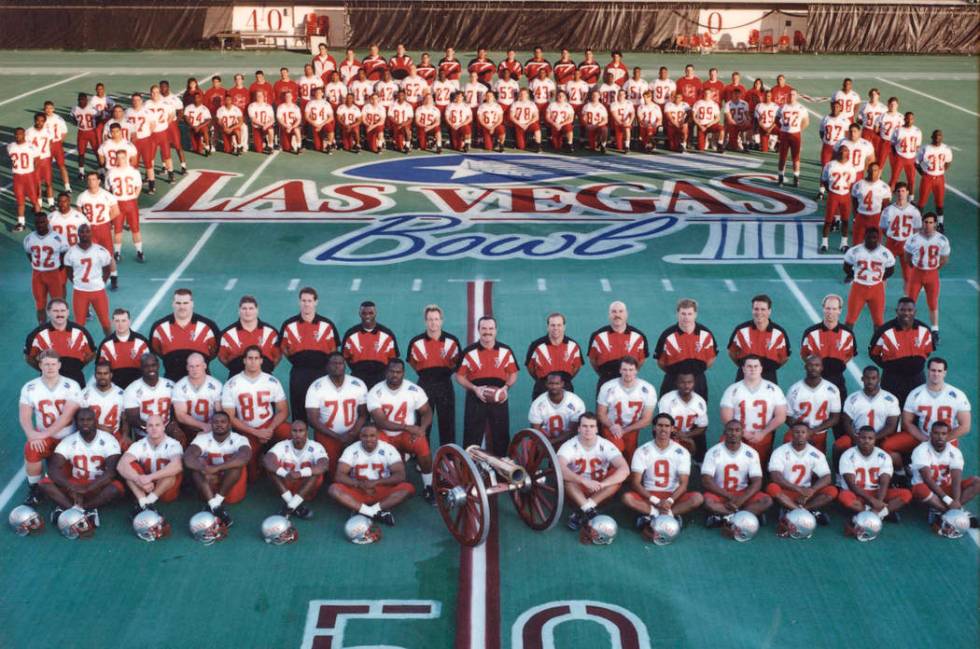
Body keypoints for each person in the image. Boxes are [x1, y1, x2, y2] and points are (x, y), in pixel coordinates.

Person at [39, 407, 122, 526]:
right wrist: (71, 486)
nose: (85, 423)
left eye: (89, 419)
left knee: (116, 488)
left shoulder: (109, 440)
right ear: (76, 422)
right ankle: (80, 510)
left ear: (95, 421)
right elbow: (53, 469)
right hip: (75, 484)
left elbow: (111, 472)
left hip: (98, 484)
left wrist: (88, 488)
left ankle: (76, 508)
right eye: (81, 420)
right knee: (44, 483)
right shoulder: (69, 441)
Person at [19, 350, 82, 505]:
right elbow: (24, 416)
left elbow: (66, 416)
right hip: (45, 438)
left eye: (53, 364)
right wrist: (31, 435)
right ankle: (34, 488)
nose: (50, 367)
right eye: (46, 364)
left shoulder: (71, 385)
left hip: (69, 438)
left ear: (59, 365)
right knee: (31, 448)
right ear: (40, 365)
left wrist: (43, 434)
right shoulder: (30, 387)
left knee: (64, 480)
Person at [367, 359, 434, 503]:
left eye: (398, 372)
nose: (394, 375)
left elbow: (427, 412)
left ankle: (429, 486)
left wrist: (422, 429)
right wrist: (407, 427)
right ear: (386, 372)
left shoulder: (413, 389)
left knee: (423, 445)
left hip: (406, 435)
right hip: (383, 433)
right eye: (391, 371)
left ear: (403, 373)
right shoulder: (375, 392)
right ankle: (379, 487)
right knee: (374, 451)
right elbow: (381, 422)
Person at [622, 413, 704, 532]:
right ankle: (664, 515)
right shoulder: (642, 451)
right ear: (654, 428)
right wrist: (656, 501)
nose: (663, 429)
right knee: (627, 498)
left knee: (698, 498)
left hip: (673, 494)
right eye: (660, 425)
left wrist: (669, 501)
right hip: (650, 494)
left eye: (667, 426)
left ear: (672, 429)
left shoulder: (681, 452)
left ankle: (658, 515)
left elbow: (683, 484)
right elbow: (635, 483)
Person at [220, 346, 291, 479]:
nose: (253, 361)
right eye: (250, 358)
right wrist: (256, 432)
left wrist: (269, 429)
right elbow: (229, 417)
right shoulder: (232, 384)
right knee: (252, 475)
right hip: (247, 429)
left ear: (261, 361)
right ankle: (259, 464)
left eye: (256, 358)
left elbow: (283, 411)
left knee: (291, 432)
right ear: (244, 361)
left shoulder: (271, 381)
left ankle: (287, 463)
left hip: (269, 424)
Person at [455, 316, 519, 457]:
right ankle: (470, 472)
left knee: (501, 436)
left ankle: (502, 472)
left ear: (496, 330)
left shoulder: (505, 350)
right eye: (483, 328)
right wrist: (474, 389)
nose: (487, 332)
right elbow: (459, 376)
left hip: (499, 397)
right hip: (476, 396)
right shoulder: (468, 351)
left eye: (491, 328)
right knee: (471, 437)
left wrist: (506, 388)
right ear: (478, 330)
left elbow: (513, 373)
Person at [328, 425, 415, 527]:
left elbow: (400, 475)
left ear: (378, 436)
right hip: (359, 489)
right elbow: (339, 475)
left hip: (382, 488)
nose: (369, 439)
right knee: (333, 489)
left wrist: (376, 482)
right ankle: (376, 512)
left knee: (408, 488)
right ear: (360, 436)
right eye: (365, 436)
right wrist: (359, 484)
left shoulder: (388, 449)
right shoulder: (351, 450)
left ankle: (364, 511)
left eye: (372, 435)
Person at [557, 412, 629, 531]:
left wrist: (603, 484)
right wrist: (583, 481)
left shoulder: (605, 445)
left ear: (596, 429)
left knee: (616, 478)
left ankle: (584, 510)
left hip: (599, 490)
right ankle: (590, 512)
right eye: (584, 426)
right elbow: (559, 467)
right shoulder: (569, 445)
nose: (588, 430)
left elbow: (624, 469)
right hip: (577, 491)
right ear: (579, 428)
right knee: (567, 479)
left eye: (591, 426)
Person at [893, 357, 971, 462]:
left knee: (946, 469)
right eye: (933, 370)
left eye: (939, 371)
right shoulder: (916, 394)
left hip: (947, 440)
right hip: (922, 437)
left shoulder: (957, 395)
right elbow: (906, 422)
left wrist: (941, 440)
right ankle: (901, 472)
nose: (936, 374)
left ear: (945, 373)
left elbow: (965, 426)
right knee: (887, 446)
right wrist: (924, 439)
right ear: (928, 371)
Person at [279, 287, 339, 422]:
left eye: (309, 301)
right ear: (299, 302)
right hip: (299, 373)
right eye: (303, 300)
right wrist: (297, 360)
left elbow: (333, 351)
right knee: (299, 410)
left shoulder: (327, 325)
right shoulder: (288, 325)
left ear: (316, 302)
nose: (306, 304)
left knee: (323, 410)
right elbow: (284, 348)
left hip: (321, 373)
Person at [183, 411, 252, 527]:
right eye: (215, 422)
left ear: (229, 424)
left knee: (236, 465)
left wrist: (217, 468)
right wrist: (204, 468)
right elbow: (188, 458)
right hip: (208, 480)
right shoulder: (203, 438)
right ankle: (215, 506)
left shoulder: (239, 439)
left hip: (231, 480)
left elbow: (245, 457)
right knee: (197, 464)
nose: (219, 424)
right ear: (211, 424)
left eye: (223, 422)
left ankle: (216, 502)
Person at [701, 420, 773, 528]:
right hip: (720, 492)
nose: (733, 433)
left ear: (742, 433)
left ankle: (724, 517)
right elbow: (706, 481)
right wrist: (729, 496)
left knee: (767, 501)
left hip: (742, 492)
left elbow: (757, 482)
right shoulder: (713, 452)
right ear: (724, 432)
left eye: (737, 430)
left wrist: (741, 499)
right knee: (707, 502)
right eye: (730, 430)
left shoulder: (751, 453)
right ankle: (746, 515)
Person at [407, 305, 461, 448]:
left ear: (441, 321)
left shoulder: (452, 341)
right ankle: (422, 455)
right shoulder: (416, 342)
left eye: (436, 319)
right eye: (430, 319)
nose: (433, 323)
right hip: (424, 384)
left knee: (447, 423)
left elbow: (457, 363)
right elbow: (413, 363)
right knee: (423, 421)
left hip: (445, 384)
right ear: (425, 321)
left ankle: (448, 457)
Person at [719, 355, 787, 466]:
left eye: (756, 366)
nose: (753, 369)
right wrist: (743, 433)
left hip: (761, 436)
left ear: (761, 368)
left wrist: (763, 433)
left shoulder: (773, 389)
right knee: (731, 463)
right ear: (743, 369)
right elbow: (726, 417)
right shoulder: (732, 389)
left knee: (758, 468)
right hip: (737, 435)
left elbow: (781, 416)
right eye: (749, 366)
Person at [767, 423, 838, 527]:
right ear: (791, 434)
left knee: (832, 491)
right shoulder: (780, 452)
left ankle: (793, 510)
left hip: (806, 493)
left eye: (803, 432)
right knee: (772, 488)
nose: (800, 435)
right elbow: (775, 476)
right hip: (787, 490)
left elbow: (827, 477)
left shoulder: (816, 453)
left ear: (808, 434)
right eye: (797, 432)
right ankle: (808, 512)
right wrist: (798, 489)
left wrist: (812, 490)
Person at [837, 425, 910, 524]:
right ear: (858, 438)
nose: (866, 441)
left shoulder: (883, 456)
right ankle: (881, 513)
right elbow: (852, 485)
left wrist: (878, 502)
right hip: (857, 493)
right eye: (863, 438)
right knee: (844, 496)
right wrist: (872, 501)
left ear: (875, 440)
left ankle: (873, 514)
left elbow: (884, 483)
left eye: (870, 438)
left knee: (906, 494)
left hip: (876, 492)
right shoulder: (847, 455)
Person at [868, 297, 934, 407]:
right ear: (896, 311)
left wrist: (916, 364)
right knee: (891, 413)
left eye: (909, 310)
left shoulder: (925, 329)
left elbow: (927, 351)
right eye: (902, 310)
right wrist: (889, 367)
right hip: (892, 380)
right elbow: (873, 353)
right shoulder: (884, 330)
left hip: (917, 379)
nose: (906, 313)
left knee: (916, 413)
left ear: (915, 312)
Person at [910, 421, 979, 524]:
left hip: (946, 488)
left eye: (943, 434)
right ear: (930, 434)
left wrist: (955, 500)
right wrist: (948, 500)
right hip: (928, 491)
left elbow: (956, 478)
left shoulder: (954, 451)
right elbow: (927, 479)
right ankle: (951, 513)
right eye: (936, 433)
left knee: (977, 482)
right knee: (919, 489)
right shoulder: (921, 450)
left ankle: (946, 512)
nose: (940, 437)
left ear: (948, 435)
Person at [117, 414, 183, 517]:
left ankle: (149, 501)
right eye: (150, 425)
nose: (154, 428)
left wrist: (149, 477)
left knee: (171, 472)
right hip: (144, 486)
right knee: (129, 470)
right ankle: (144, 503)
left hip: (166, 489)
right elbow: (121, 465)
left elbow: (177, 466)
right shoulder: (139, 444)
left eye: (157, 425)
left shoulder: (173, 444)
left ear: (163, 426)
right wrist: (138, 478)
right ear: (145, 428)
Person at [149, 288, 220, 381]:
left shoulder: (209, 326)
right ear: (173, 304)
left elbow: (215, 351)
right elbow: (157, 350)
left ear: (192, 304)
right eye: (178, 303)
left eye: (185, 303)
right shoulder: (159, 327)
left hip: (202, 383)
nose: (182, 307)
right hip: (172, 381)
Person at [263, 420, 329, 519]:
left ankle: (288, 508)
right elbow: (267, 460)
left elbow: (324, 465)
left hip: (305, 487)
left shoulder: (316, 446)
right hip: (286, 484)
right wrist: (285, 473)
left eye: (301, 430)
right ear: (290, 432)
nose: (297, 434)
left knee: (316, 474)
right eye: (294, 431)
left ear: (307, 432)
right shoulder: (283, 445)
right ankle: (295, 506)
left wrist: (300, 473)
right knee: (271, 470)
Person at [654, 298, 717, 401]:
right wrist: (675, 374)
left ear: (695, 314)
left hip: (698, 381)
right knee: (668, 413)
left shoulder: (706, 334)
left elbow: (711, 358)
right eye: (683, 314)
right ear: (677, 314)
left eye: (689, 314)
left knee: (697, 413)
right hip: (673, 381)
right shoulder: (667, 335)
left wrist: (697, 372)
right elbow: (661, 362)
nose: (686, 317)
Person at [836, 365, 901, 464]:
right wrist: (856, 437)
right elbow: (846, 422)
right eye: (867, 378)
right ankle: (838, 475)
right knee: (839, 445)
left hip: (881, 437)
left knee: (893, 454)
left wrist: (873, 438)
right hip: (858, 437)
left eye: (873, 378)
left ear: (879, 379)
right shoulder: (853, 398)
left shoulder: (890, 399)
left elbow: (891, 426)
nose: (870, 381)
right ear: (862, 379)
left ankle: (899, 475)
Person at [596, 357, 656, 462]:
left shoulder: (647, 389)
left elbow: (647, 419)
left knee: (630, 458)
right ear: (620, 370)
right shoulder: (608, 387)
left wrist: (625, 430)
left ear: (637, 370)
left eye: (631, 370)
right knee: (613, 455)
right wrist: (612, 426)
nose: (628, 373)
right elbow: (601, 414)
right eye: (624, 369)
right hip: (611, 427)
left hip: (632, 428)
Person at [24, 299, 95, 387]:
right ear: (48, 312)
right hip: (48, 381)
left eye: (62, 311)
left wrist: (78, 366)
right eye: (55, 311)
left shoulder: (81, 331)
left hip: (75, 379)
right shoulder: (36, 334)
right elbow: (29, 358)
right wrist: (43, 369)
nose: (60, 314)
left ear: (68, 312)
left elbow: (91, 354)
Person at [800, 294, 855, 405]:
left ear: (840, 310)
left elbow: (850, 354)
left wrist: (837, 366)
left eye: (834, 309)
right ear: (823, 309)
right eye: (828, 308)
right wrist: (815, 369)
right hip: (816, 380)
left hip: (838, 380)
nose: (830, 312)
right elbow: (804, 355)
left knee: (839, 413)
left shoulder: (848, 333)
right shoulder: (810, 332)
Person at [904, 212, 949, 341]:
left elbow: (944, 259)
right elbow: (907, 256)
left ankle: (935, 330)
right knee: (910, 303)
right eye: (926, 222)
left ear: (935, 224)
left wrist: (933, 268)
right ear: (922, 222)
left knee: (933, 303)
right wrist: (915, 268)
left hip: (932, 274)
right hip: (917, 273)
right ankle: (907, 327)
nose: (928, 225)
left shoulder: (942, 239)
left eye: (930, 222)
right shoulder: (914, 238)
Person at [784, 356, 842, 454]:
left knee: (817, 462)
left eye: (817, 365)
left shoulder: (832, 389)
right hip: (798, 431)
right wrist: (802, 432)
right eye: (810, 365)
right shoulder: (794, 389)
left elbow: (835, 418)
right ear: (805, 367)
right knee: (788, 445)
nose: (813, 368)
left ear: (822, 368)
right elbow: (787, 416)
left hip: (819, 432)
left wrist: (813, 431)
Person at [726, 294, 790, 383]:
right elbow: (731, 352)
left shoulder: (779, 333)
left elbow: (784, 357)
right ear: (752, 310)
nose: (759, 312)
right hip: (744, 376)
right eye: (756, 309)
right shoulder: (740, 330)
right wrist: (744, 366)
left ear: (769, 311)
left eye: (763, 309)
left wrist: (770, 368)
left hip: (768, 376)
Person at [588, 301, 649, 391]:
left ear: (626, 314)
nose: (617, 315)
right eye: (614, 312)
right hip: (606, 380)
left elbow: (642, 359)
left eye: (621, 311)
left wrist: (630, 373)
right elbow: (592, 360)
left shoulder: (639, 336)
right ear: (609, 314)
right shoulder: (597, 336)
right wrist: (603, 374)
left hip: (629, 382)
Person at [843, 227, 896, 329]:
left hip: (877, 289)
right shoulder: (855, 251)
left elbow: (890, 270)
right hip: (858, 287)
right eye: (869, 237)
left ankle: (877, 344)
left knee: (879, 321)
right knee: (850, 320)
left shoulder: (885, 253)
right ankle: (848, 343)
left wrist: (879, 278)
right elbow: (846, 267)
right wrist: (854, 275)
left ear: (878, 238)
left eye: (874, 237)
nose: (872, 239)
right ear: (864, 237)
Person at [218, 295, 281, 378]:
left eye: (251, 308)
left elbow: (277, 356)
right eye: (244, 308)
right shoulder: (226, 334)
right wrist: (235, 368)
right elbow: (222, 357)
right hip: (237, 380)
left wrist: (267, 368)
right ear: (239, 311)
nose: (247, 312)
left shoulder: (271, 332)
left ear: (257, 310)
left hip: (265, 379)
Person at [75, 170, 119, 289]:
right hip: (89, 229)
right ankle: (95, 278)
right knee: (91, 254)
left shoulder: (107, 195)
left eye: (94, 179)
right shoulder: (82, 197)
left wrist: (105, 220)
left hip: (103, 226)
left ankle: (114, 277)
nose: (91, 182)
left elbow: (116, 211)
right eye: (89, 180)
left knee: (109, 254)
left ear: (99, 181)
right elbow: (79, 215)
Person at [23, 211, 68, 323]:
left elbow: (64, 253)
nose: (40, 225)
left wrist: (60, 265)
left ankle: (60, 326)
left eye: (43, 222)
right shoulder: (29, 238)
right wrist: (36, 264)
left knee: (57, 303)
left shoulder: (58, 238)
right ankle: (42, 327)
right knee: (40, 304)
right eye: (37, 223)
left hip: (53, 273)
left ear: (47, 222)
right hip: (37, 274)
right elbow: (29, 253)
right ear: (34, 223)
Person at [524, 312, 583, 398]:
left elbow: (577, 367)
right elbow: (530, 368)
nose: (556, 328)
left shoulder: (574, 345)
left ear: (564, 327)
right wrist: (542, 381)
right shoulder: (536, 345)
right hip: (542, 388)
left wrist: (563, 380)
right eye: (553, 325)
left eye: (559, 325)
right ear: (548, 327)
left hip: (565, 387)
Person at [342, 301, 399, 389]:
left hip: (381, 379)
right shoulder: (350, 334)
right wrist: (358, 369)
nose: (367, 316)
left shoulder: (387, 334)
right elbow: (345, 357)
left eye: (370, 313)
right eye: (364, 313)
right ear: (359, 314)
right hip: (358, 379)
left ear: (375, 313)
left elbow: (393, 358)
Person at [172, 352, 223, 443]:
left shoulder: (216, 385)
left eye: (197, 366)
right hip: (188, 429)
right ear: (187, 367)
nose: (194, 369)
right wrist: (203, 426)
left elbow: (220, 412)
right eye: (191, 366)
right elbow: (181, 416)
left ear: (204, 366)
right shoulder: (180, 386)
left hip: (212, 427)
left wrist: (211, 427)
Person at [123, 353, 175, 438]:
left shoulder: (170, 385)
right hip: (144, 434)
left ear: (158, 365)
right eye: (146, 366)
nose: (150, 369)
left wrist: (173, 425)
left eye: (153, 365)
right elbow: (133, 419)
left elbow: (176, 411)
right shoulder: (132, 389)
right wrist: (156, 431)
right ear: (141, 368)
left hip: (168, 432)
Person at [96, 307, 150, 388]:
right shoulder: (105, 344)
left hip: (138, 388)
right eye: (117, 321)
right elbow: (100, 369)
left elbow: (150, 366)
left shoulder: (142, 341)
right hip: (115, 389)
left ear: (129, 322)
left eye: (123, 320)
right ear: (113, 322)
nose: (120, 324)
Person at [657, 373, 708, 457]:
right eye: (682, 382)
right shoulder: (667, 399)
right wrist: (679, 437)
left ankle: (698, 462)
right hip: (669, 434)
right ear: (677, 383)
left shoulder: (699, 401)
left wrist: (686, 436)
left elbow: (702, 426)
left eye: (689, 382)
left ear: (694, 383)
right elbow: (662, 424)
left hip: (689, 433)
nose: (686, 386)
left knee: (697, 442)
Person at [529, 373, 587, 447]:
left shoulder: (576, 402)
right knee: (531, 444)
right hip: (546, 439)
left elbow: (573, 431)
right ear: (546, 384)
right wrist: (546, 442)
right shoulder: (537, 403)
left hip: (569, 439)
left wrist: (552, 442)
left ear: (562, 384)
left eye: (557, 383)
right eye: (551, 383)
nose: (554, 387)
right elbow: (535, 430)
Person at [879, 182, 921, 283]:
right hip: (891, 243)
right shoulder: (888, 210)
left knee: (908, 274)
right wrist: (892, 236)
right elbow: (883, 228)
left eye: (903, 191)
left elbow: (917, 229)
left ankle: (909, 296)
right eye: (898, 191)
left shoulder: (914, 211)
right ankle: (879, 295)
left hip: (906, 244)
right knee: (884, 272)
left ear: (907, 193)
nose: (901, 193)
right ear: (895, 193)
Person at [819, 147, 859, 252]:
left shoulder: (851, 167)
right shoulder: (830, 165)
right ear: (837, 153)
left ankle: (844, 243)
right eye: (841, 151)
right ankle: (824, 243)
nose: (842, 153)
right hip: (833, 194)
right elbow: (824, 180)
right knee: (828, 220)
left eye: (845, 151)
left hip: (845, 195)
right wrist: (830, 190)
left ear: (848, 153)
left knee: (845, 221)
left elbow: (852, 183)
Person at [105, 157, 145, 261]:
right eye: (121, 158)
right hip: (123, 202)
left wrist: (134, 197)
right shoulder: (130, 171)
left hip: (125, 202)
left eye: (122, 158)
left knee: (130, 229)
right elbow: (139, 186)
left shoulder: (113, 172)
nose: (121, 160)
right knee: (122, 230)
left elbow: (107, 189)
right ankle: (122, 252)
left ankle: (135, 252)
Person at [81, 360, 128, 449]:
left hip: (114, 435)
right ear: (95, 375)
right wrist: (97, 427)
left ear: (111, 375)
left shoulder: (121, 394)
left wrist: (125, 435)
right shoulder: (85, 394)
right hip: (91, 434)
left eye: (105, 373)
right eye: (99, 373)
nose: (102, 376)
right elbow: (80, 420)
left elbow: (125, 419)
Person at [915, 129, 952, 229]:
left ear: (942, 137)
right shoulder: (925, 148)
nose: (937, 138)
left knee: (940, 203)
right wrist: (922, 173)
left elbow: (948, 162)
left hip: (940, 178)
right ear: (932, 137)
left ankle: (940, 223)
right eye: (935, 136)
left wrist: (941, 171)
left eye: (939, 136)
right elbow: (916, 162)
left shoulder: (946, 148)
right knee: (922, 202)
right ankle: (917, 223)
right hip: (928, 178)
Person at [850, 162, 892, 246]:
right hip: (861, 216)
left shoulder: (884, 187)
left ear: (879, 172)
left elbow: (885, 206)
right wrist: (856, 215)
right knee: (856, 243)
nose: (873, 172)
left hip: (875, 217)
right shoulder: (858, 185)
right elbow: (854, 202)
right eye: (871, 170)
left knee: (876, 245)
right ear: (867, 170)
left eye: (875, 170)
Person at [775, 89, 809, 187]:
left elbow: (806, 122)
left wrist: (799, 129)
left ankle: (796, 178)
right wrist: (782, 128)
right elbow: (776, 120)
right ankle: (780, 177)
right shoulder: (782, 107)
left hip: (795, 135)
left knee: (796, 158)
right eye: (790, 94)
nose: (791, 96)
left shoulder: (801, 108)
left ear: (797, 96)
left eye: (793, 94)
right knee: (782, 157)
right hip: (785, 134)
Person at [25, 112, 55, 209]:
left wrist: (48, 154)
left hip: (45, 159)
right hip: (35, 160)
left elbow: (50, 142)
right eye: (38, 120)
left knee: (48, 182)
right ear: (34, 120)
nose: (39, 122)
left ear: (44, 122)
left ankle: (51, 203)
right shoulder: (29, 132)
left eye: (42, 121)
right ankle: (39, 203)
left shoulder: (48, 130)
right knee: (37, 183)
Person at [889, 112, 921, 191]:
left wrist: (913, 155)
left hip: (911, 158)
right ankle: (888, 196)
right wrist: (896, 155)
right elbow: (892, 144)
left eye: (911, 119)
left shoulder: (917, 131)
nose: (909, 120)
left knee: (911, 180)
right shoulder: (898, 130)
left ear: (913, 120)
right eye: (908, 118)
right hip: (900, 157)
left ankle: (911, 198)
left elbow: (917, 146)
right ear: (904, 119)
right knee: (894, 178)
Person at [818, 100, 848, 166]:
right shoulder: (825, 118)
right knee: (825, 167)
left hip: (838, 147)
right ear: (831, 107)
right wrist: (826, 140)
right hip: (827, 146)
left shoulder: (845, 120)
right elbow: (821, 132)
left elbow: (847, 134)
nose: (835, 108)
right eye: (834, 107)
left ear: (840, 108)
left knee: (838, 167)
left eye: (837, 107)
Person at [753, 88, 778, 153]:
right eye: (766, 96)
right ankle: (762, 143)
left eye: (769, 96)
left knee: (784, 132)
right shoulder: (759, 106)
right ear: (764, 96)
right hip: (763, 128)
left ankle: (779, 144)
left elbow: (777, 120)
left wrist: (770, 128)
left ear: (771, 96)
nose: (767, 97)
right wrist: (765, 129)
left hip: (773, 127)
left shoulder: (775, 106)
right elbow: (759, 122)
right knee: (764, 150)